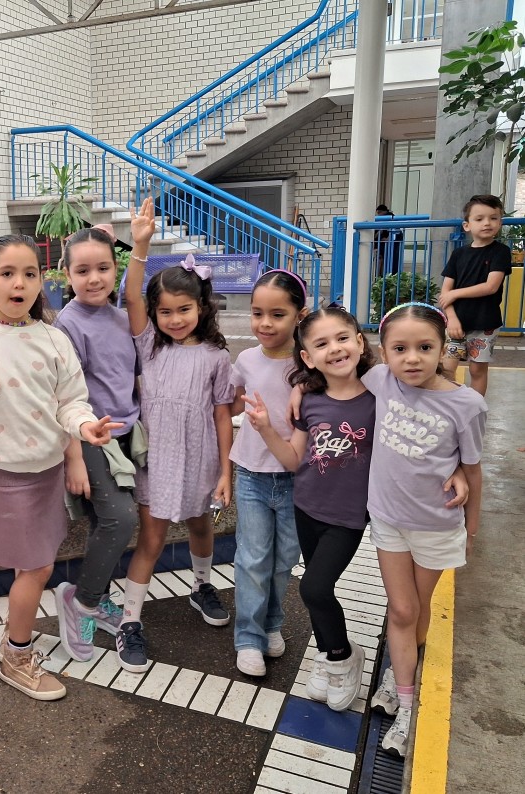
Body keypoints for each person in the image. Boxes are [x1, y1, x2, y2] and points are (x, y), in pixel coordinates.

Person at [0, 234, 120, 701]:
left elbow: (71, 402)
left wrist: (85, 427)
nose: (19, 283)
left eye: (29, 274)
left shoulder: (54, 338)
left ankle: (16, 645)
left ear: (42, 280)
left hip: (47, 473)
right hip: (4, 475)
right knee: (37, 567)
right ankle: (16, 655)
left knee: (36, 565)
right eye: (7, 274)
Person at [117, 198, 235, 673]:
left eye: (184, 309)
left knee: (202, 526)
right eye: (164, 311)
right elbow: (131, 297)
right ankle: (130, 620)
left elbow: (223, 416)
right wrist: (140, 247)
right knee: (151, 538)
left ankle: (201, 585)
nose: (174, 319)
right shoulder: (149, 345)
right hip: (158, 459)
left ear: (201, 307)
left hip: (201, 459)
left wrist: (225, 471)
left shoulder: (216, 357)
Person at [365, 302, 485, 757]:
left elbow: (472, 469)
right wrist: (300, 391)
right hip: (388, 519)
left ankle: (401, 677)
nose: (412, 358)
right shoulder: (380, 380)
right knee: (401, 609)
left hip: (436, 526)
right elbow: (330, 372)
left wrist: (471, 528)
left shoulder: (466, 404)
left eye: (424, 347)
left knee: (417, 610)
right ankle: (405, 696)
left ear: (442, 349)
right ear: (384, 353)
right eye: (400, 348)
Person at [242, 307, 376, 710]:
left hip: (348, 517)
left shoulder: (380, 398)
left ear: (360, 342)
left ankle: (343, 657)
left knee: (314, 588)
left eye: (342, 338)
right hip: (306, 509)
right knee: (320, 592)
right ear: (308, 357)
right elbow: (293, 460)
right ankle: (326, 655)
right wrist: (266, 428)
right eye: (321, 343)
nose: (334, 348)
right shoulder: (312, 402)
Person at [52, 224, 141, 664]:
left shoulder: (121, 316)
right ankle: (81, 601)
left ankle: (97, 598)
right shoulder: (67, 324)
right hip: (90, 438)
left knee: (105, 522)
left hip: (125, 436)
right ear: (67, 274)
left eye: (103, 268)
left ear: (115, 269)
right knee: (120, 519)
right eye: (82, 270)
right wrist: (74, 457)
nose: (94, 279)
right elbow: (63, 396)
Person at [230, 269, 309, 677]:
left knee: (283, 561)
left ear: (300, 315)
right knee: (253, 559)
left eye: (277, 314)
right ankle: (248, 637)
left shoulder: (310, 363)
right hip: (251, 475)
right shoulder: (246, 359)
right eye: (257, 313)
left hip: (298, 479)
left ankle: (272, 624)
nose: (265, 323)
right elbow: (228, 402)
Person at [438, 194, 512, 396]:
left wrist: (455, 293)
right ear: (467, 225)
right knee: (446, 368)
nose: (487, 223)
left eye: (493, 218)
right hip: (455, 323)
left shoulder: (501, 252)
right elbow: (445, 293)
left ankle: (476, 408)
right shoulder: (458, 254)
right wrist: (452, 319)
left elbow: (491, 286)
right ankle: (448, 405)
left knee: (477, 370)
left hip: (484, 324)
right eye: (479, 219)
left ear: (500, 222)